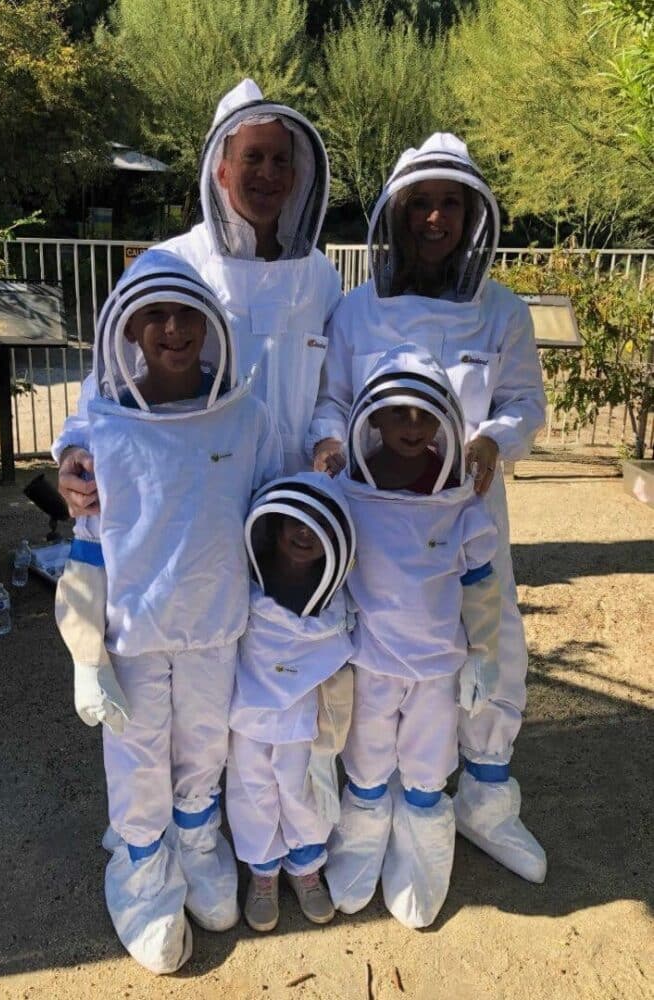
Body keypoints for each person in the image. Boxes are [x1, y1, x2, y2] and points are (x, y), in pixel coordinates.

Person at [309, 133, 548, 884]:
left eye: (451, 204)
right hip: (375, 522)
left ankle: (486, 798)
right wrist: (327, 442)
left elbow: (525, 402)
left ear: (474, 217)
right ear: (395, 213)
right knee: (374, 654)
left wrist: (495, 440)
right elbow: (333, 400)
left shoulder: (502, 311)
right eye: (421, 204)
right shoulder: (355, 311)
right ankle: (371, 804)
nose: (436, 219)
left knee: (492, 640)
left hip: (469, 516)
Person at [54, 249, 282, 973]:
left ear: (211, 323)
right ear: (127, 329)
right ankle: (143, 864)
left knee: (205, 744)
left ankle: (196, 841)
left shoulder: (246, 418)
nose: (173, 329)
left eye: (186, 314)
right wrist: (87, 656)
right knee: (137, 751)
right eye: (154, 315)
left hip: (217, 626)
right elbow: (87, 549)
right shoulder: (103, 428)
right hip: (134, 634)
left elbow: (270, 515)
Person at [55, 77, 342, 513]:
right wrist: (76, 446)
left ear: (296, 176)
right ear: (221, 171)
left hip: (294, 512)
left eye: (280, 160)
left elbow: (330, 388)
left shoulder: (320, 275)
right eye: (253, 157)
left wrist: (327, 439)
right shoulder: (172, 263)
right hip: (197, 502)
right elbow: (114, 375)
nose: (268, 173)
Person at [325, 345, 500, 928]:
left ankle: (421, 861)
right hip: (370, 661)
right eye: (399, 412)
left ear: (445, 419)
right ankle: (359, 851)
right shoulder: (350, 490)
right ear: (372, 415)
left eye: (425, 414)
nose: (413, 425)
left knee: (428, 770)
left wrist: (482, 654)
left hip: (436, 668)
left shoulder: (457, 499)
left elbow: (479, 583)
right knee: (367, 765)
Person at [226, 473, 356, 932]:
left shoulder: (334, 602)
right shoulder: (247, 590)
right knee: (252, 791)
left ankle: (306, 867)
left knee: (302, 791)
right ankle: (263, 873)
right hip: (249, 717)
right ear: (274, 527)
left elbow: (336, 664)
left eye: (318, 522)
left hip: (303, 720)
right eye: (296, 521)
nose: (305, 532)